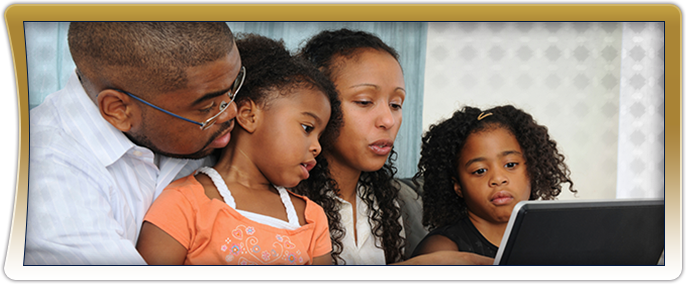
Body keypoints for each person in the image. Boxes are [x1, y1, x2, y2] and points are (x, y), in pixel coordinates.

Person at [25, 22, 242, 265]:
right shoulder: (43, 185)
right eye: (206, 107)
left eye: (234, 86)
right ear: (119, 110)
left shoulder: (187, 107)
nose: (231, 111)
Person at [135, 34, 342, 265]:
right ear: (248, 115)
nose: (317, 147)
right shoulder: (183, 203)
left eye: (320, 137)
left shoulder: (312, 218)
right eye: (307, 128)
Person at [294, 28, 493, 266]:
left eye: (396, 104)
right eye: (365, 102)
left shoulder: (387, 205)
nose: (387, 120)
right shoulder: (283, 202)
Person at [411, 105, 576, 258]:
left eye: (510, 165)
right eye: (480, 171)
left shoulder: (557, 238)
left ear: (532, 168)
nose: (498, 179)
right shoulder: (443, 251)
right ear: (458, 186)